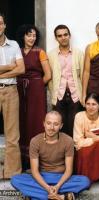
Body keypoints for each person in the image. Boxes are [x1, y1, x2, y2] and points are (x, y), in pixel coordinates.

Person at [11, 111, 90, 200]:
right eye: (48, 123)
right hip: (42, 177)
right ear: (44, 123)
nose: (51, 128)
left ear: (61, 126)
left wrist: (57, 186)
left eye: (56, 124)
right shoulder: (35, 141)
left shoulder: (68, 141)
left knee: (85, 181)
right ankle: (61, 197)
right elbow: (34, 171)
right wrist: (48, 188)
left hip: (60, 177)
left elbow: (68, 170)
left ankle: (35, 195)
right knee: (15, 180)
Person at [16, 24, 51, 170]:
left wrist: (36, 85)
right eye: (28, 35)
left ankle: (37, 158)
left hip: (36, 90)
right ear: (23, 36)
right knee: (21, 121)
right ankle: (23, 160)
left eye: (34, 35)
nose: (31, 38)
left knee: (35, 121)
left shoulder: (40, 52)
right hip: (19, 89)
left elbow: (48, 75)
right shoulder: (17, 51)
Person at [0, 13, 25, 179]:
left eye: (0, 23)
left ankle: (11, 173)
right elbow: (15, 67)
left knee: (12, 134)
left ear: (4, 25)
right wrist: (9, 67)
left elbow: (21, 69)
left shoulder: (14, 44)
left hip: (10, 90)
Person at [48, 24, 83, 137]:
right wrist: (53, 93)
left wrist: (83, 95)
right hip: (59, 95)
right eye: (60, 36)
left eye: (65, 34)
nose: (63, 37)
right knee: (59, 125)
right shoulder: (51, 55)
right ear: (56, 38)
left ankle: (74, 153)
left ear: (69, 35)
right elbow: (50, 77)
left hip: (75, 95)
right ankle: (61, 153)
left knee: (75, 126)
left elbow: (83, 75)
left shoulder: (78, 53)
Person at [73, 92, 99, 184]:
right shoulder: (79, 116)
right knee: (83, 151)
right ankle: (87, 178)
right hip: (86, 149)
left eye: (94, 104)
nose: (90, 107)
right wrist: (97, 138)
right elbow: (78, 143)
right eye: (88, 104)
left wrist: (91, 136)